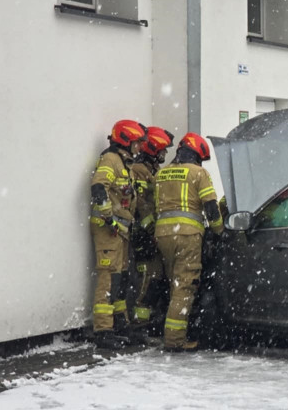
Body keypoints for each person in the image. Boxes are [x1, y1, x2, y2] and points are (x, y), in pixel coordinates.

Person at [154, 133, 223, 352]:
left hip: (162, 234)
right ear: (197, 155)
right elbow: (211, 208)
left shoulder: (161, 173)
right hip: (188, 235)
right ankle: (174, 340)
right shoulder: (198, 173)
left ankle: (168, 332)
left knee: (173, 283)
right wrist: (219, 231)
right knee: (184, 286)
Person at [89, 119, 146, 349]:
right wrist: (107, 215)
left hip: (120, 231)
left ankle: (120, 324)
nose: (139, 147)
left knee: (120, 278)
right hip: (108, 229)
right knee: (108, 277)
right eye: (136, 142)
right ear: (125, 140)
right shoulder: (111, 160)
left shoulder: (125, 163)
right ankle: (103, 330)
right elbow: (98, 186)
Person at [129, 126, 174, 341]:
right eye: (162, 150)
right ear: (153, 149)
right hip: (144, 233)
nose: (164, 154)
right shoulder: (139, 169)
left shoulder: (152, 169)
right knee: (147, 280)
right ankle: (139, 325)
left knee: (156, 279)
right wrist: (150, 228)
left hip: (154, 232)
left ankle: (151, 321)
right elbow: (141, 204)